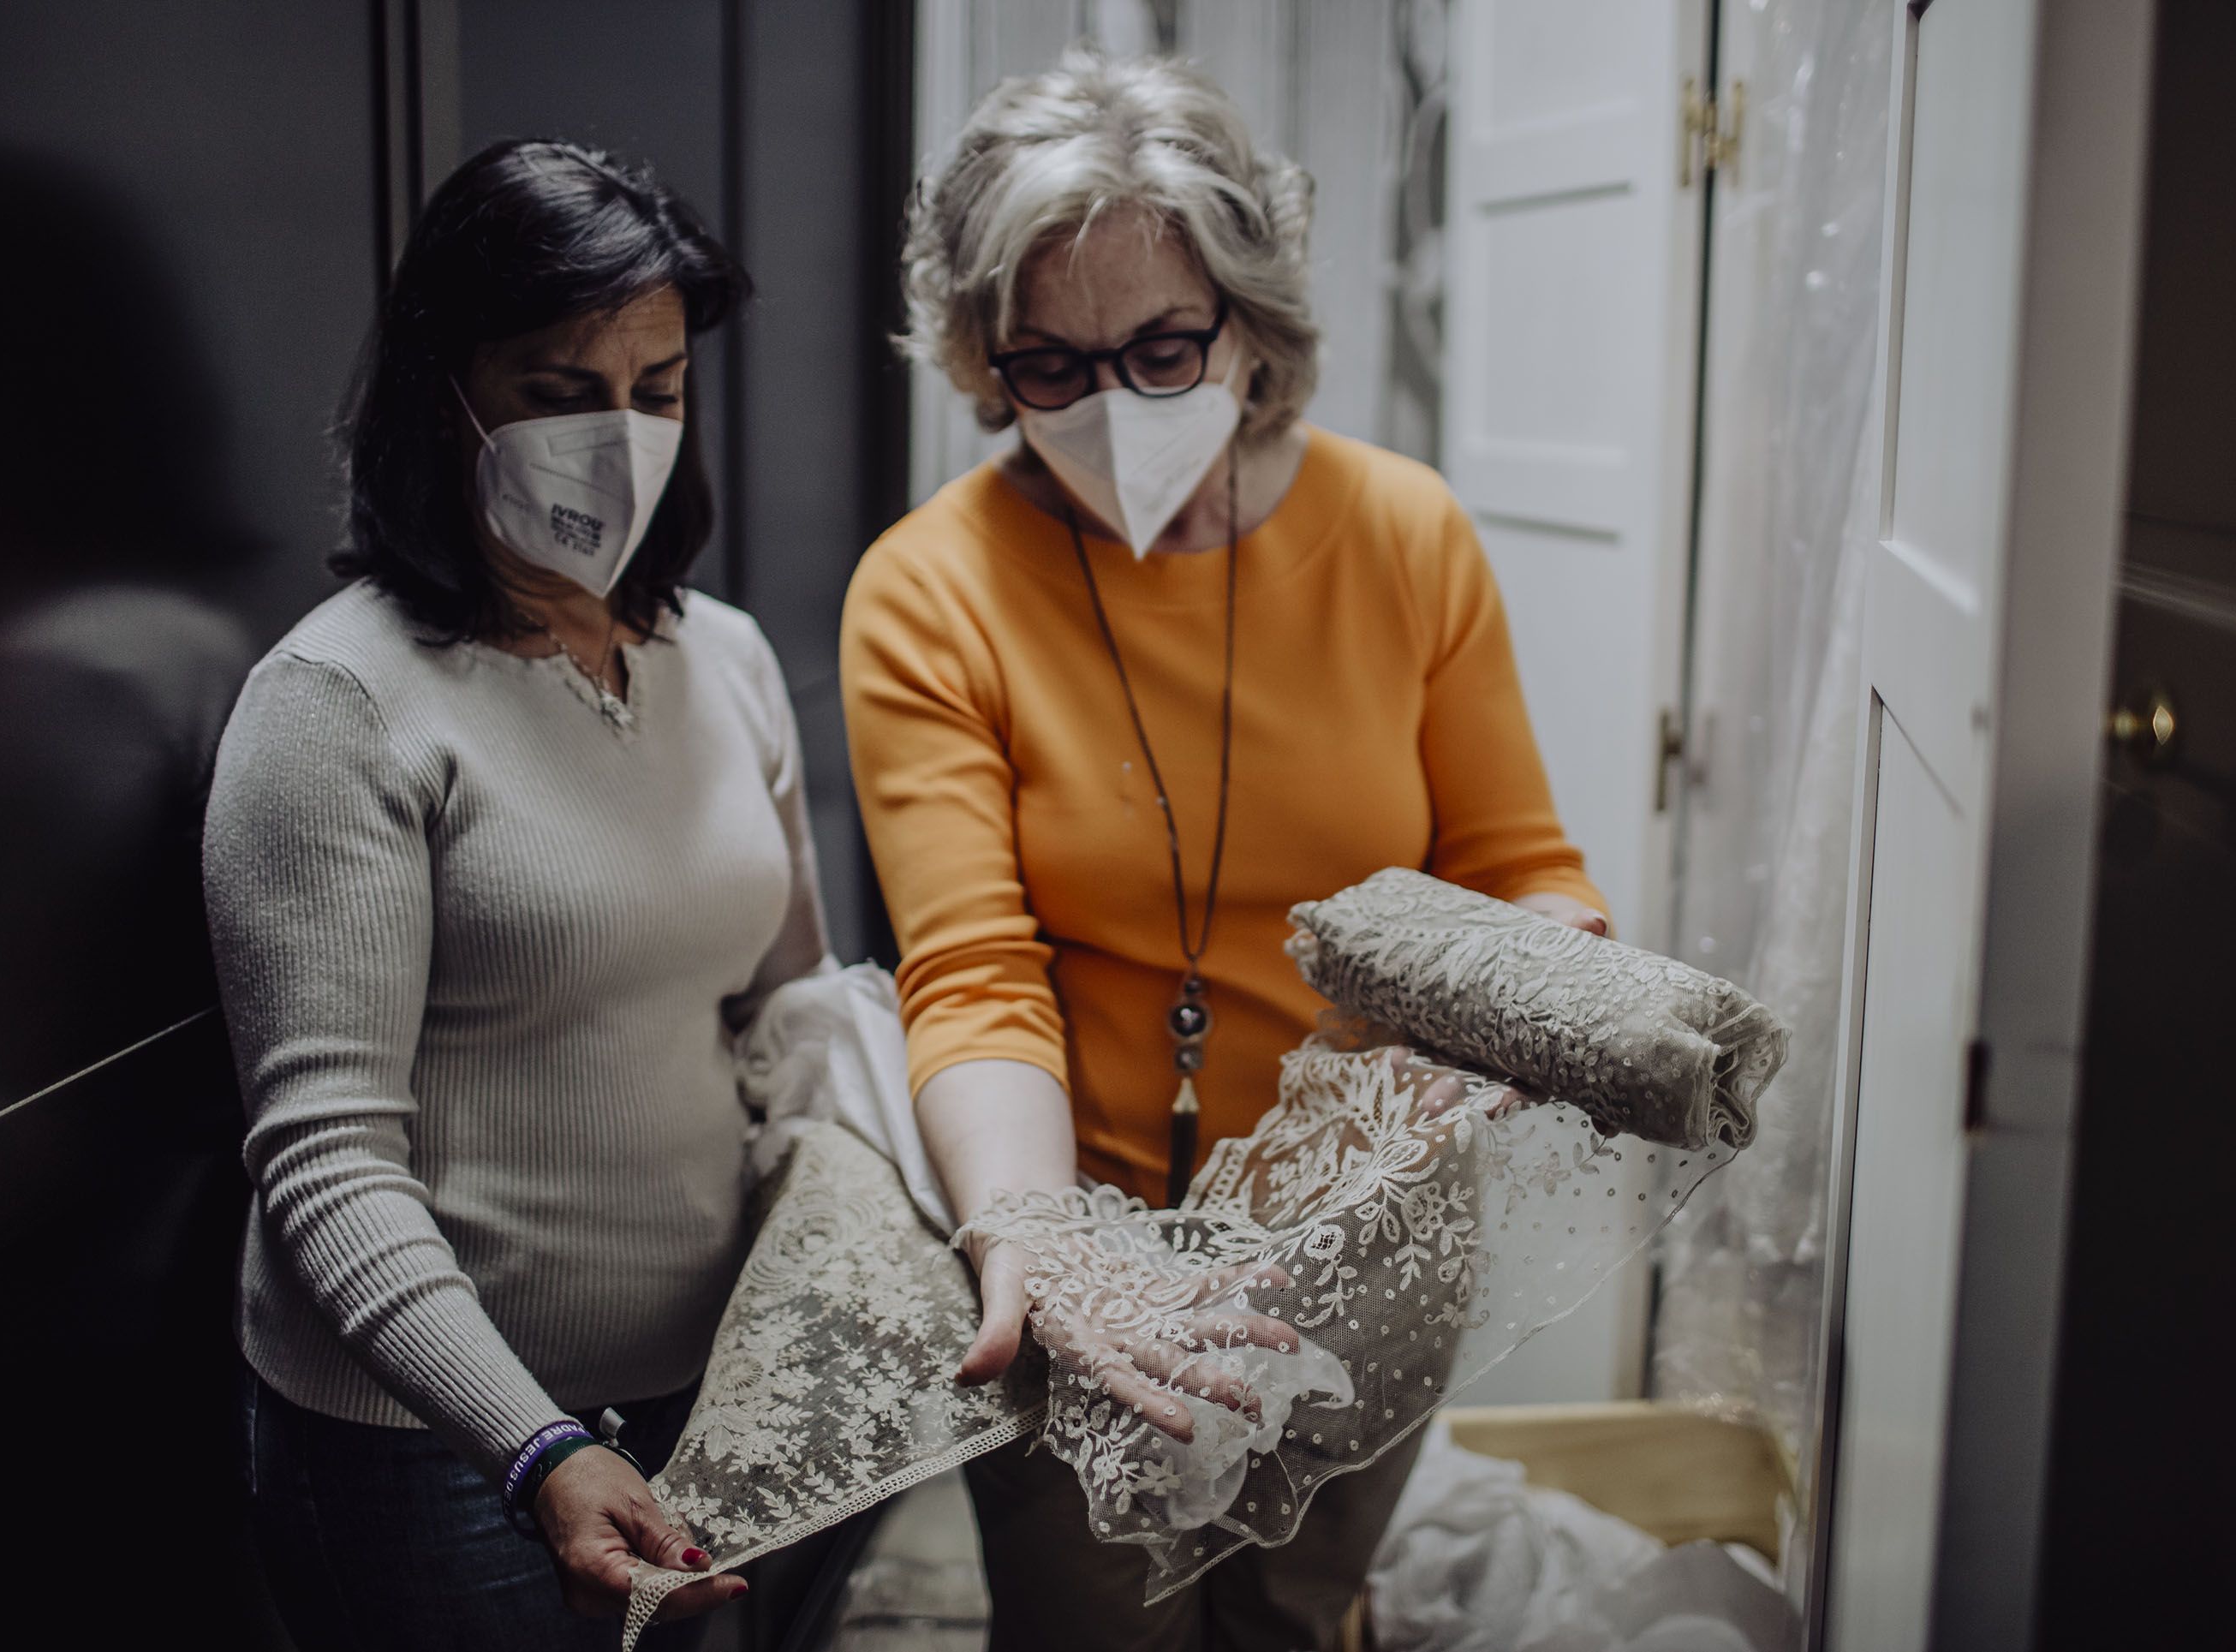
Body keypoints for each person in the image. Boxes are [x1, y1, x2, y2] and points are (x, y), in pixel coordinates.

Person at [840, 49, 1609, 1652]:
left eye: (1163, 348)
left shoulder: (1404, 536)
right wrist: (1044, 1241)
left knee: (1294, 1619)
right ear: (988, 364)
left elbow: (1517, 863)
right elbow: (975, 975)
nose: (1111, 403)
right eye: (1049, 364)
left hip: (1378, 1232)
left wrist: (1548, 983)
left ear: (1251, 329)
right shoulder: (931, 591)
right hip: (1097, 1251)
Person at [206, 140, 842, 1650]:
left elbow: (790, 996)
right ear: (450, 389)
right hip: (435, 1448)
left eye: (658, 389)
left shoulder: (728, 659)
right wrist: (537, 1443)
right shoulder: (337, 705)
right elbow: (326, 1163)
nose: (618, 436)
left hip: (711, 1390)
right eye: (561, 391)